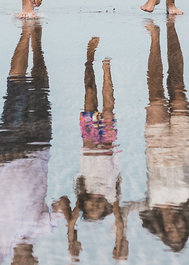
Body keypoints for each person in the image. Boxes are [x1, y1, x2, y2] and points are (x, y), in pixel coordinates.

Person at [118, 21, 189, 261]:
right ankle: (173, 33)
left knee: (155, 92)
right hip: (183, 142)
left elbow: (122, 212)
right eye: (181, 231)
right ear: (187, 228)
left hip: (156, 146)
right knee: (178, 86)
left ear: (162, 229)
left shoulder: (149, 205)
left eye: (171, 232)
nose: (176, 227)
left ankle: (155, 39)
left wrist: (122, 240)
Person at [0, 22, 60, 265]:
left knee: (16, 87)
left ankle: (26, 32)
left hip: (7, 154)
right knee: (40, 88)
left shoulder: (1, 246)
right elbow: (64, 202)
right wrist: (69, 227)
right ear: (37, 263)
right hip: (39, 149)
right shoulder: (44, 230)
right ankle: (36, 39)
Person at [53, 37, 130, 261]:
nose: (95, 202)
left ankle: (89, 61)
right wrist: (119, 243)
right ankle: (107, 70)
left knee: (88, 94)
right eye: (99, 206)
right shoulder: (110, 194)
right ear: (105, 205)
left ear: (84, 204)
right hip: (106, 143)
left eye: (90, 206)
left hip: (88, 142)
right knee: (108, 107)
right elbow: (118, 220)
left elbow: (73, 218)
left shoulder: (82, 194)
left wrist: (71, 239)